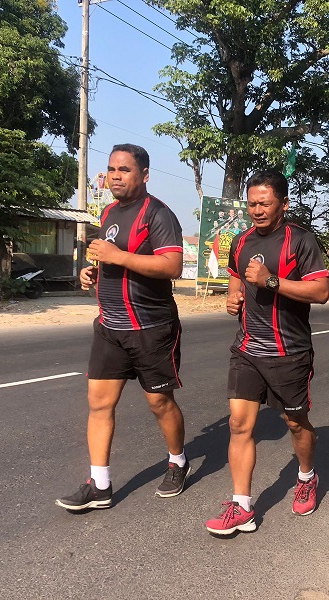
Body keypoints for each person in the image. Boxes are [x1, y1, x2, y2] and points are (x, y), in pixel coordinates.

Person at [55, 144, 189, 511]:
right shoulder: (109, 212)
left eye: (124, 169)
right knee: (99, 404)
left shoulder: (158, 214)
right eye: (112, 169)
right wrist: (94, 272)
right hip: (110, 326)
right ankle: (100, 484)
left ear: (144, 175)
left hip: (151, 327)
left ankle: (178, 461)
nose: (115, 175)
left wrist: (117, 256)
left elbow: (172, 266)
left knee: (159, 402)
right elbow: (111, 261)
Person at [204, 170, 329, 535]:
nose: (257, 210)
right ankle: (242, 505)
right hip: (247, 347)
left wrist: (270, 280)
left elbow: (321, 291)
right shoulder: (241, 240)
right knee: (239, 424)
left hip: (289, 351)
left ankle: (306, 476)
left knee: (295, 423)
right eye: (252, 204)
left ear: (283, 204)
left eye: (265, 203)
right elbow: (236, 274)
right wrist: (233, 296)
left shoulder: (300, 241)